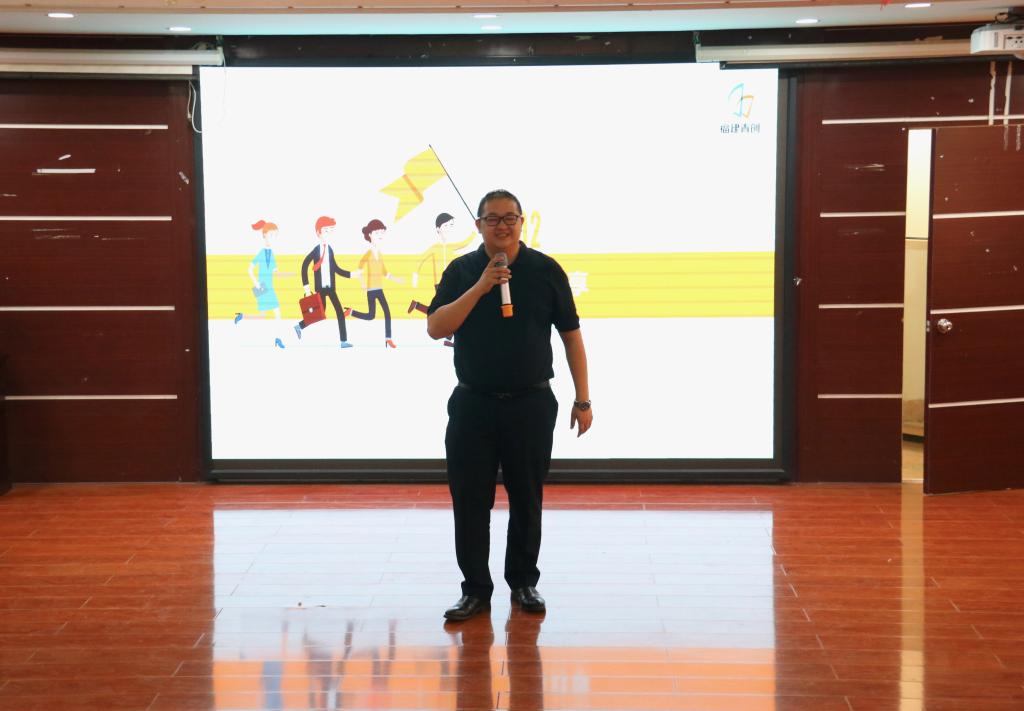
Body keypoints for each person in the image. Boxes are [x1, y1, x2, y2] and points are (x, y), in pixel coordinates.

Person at [427, 189, 593, 622]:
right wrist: (481, 286)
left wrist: (582, 398)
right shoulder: (462, 270)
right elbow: (436, 327)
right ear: (478, 225)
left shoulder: (545, 270)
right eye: (493, 218)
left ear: (521, 223)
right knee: (470, 500)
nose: (502, 225)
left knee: (526, 497)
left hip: (531, 404)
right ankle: (475, 590)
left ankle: (523, 582)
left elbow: (571, 336)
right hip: (473, 404)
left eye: (510, 218)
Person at [293, 216, 359, 348]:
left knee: (339, 312)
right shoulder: (316, 250)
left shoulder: (330, 250)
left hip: (331, 288)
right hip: (320, 289)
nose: (329, 234)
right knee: (319, 313)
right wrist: (306, 288)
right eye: (326, 231)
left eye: (331, 230)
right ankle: (299, 326)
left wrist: (351, 275)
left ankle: (343, 341)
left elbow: (336, 269)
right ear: (318, 233)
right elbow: (304, 266)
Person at [234, 219, 292, 349]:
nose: (273, 238)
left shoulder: (272, 253)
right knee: (272, 314)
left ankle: (243, 316)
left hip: (269, 287)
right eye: (271, 235)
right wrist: (256, 283)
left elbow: (275, 273)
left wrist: (288, 274)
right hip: (262, 287)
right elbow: (249, 269)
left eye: (275, 236)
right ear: (264, 235)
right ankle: (278, 339)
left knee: (266, 315)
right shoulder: (261, 253)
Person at [349, 218, 404, 349]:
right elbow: (359, 270)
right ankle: (351, 312)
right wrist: (362, 283)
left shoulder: (379, 253)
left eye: (381, 233)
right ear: (370, 234)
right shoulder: (368, 253)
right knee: (371, 316)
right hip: (371, 290)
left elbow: (385, 273)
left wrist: (397, 280)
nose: (380, 235)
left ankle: (388, 338)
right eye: (377, 233)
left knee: (386, 313)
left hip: (379, 289)